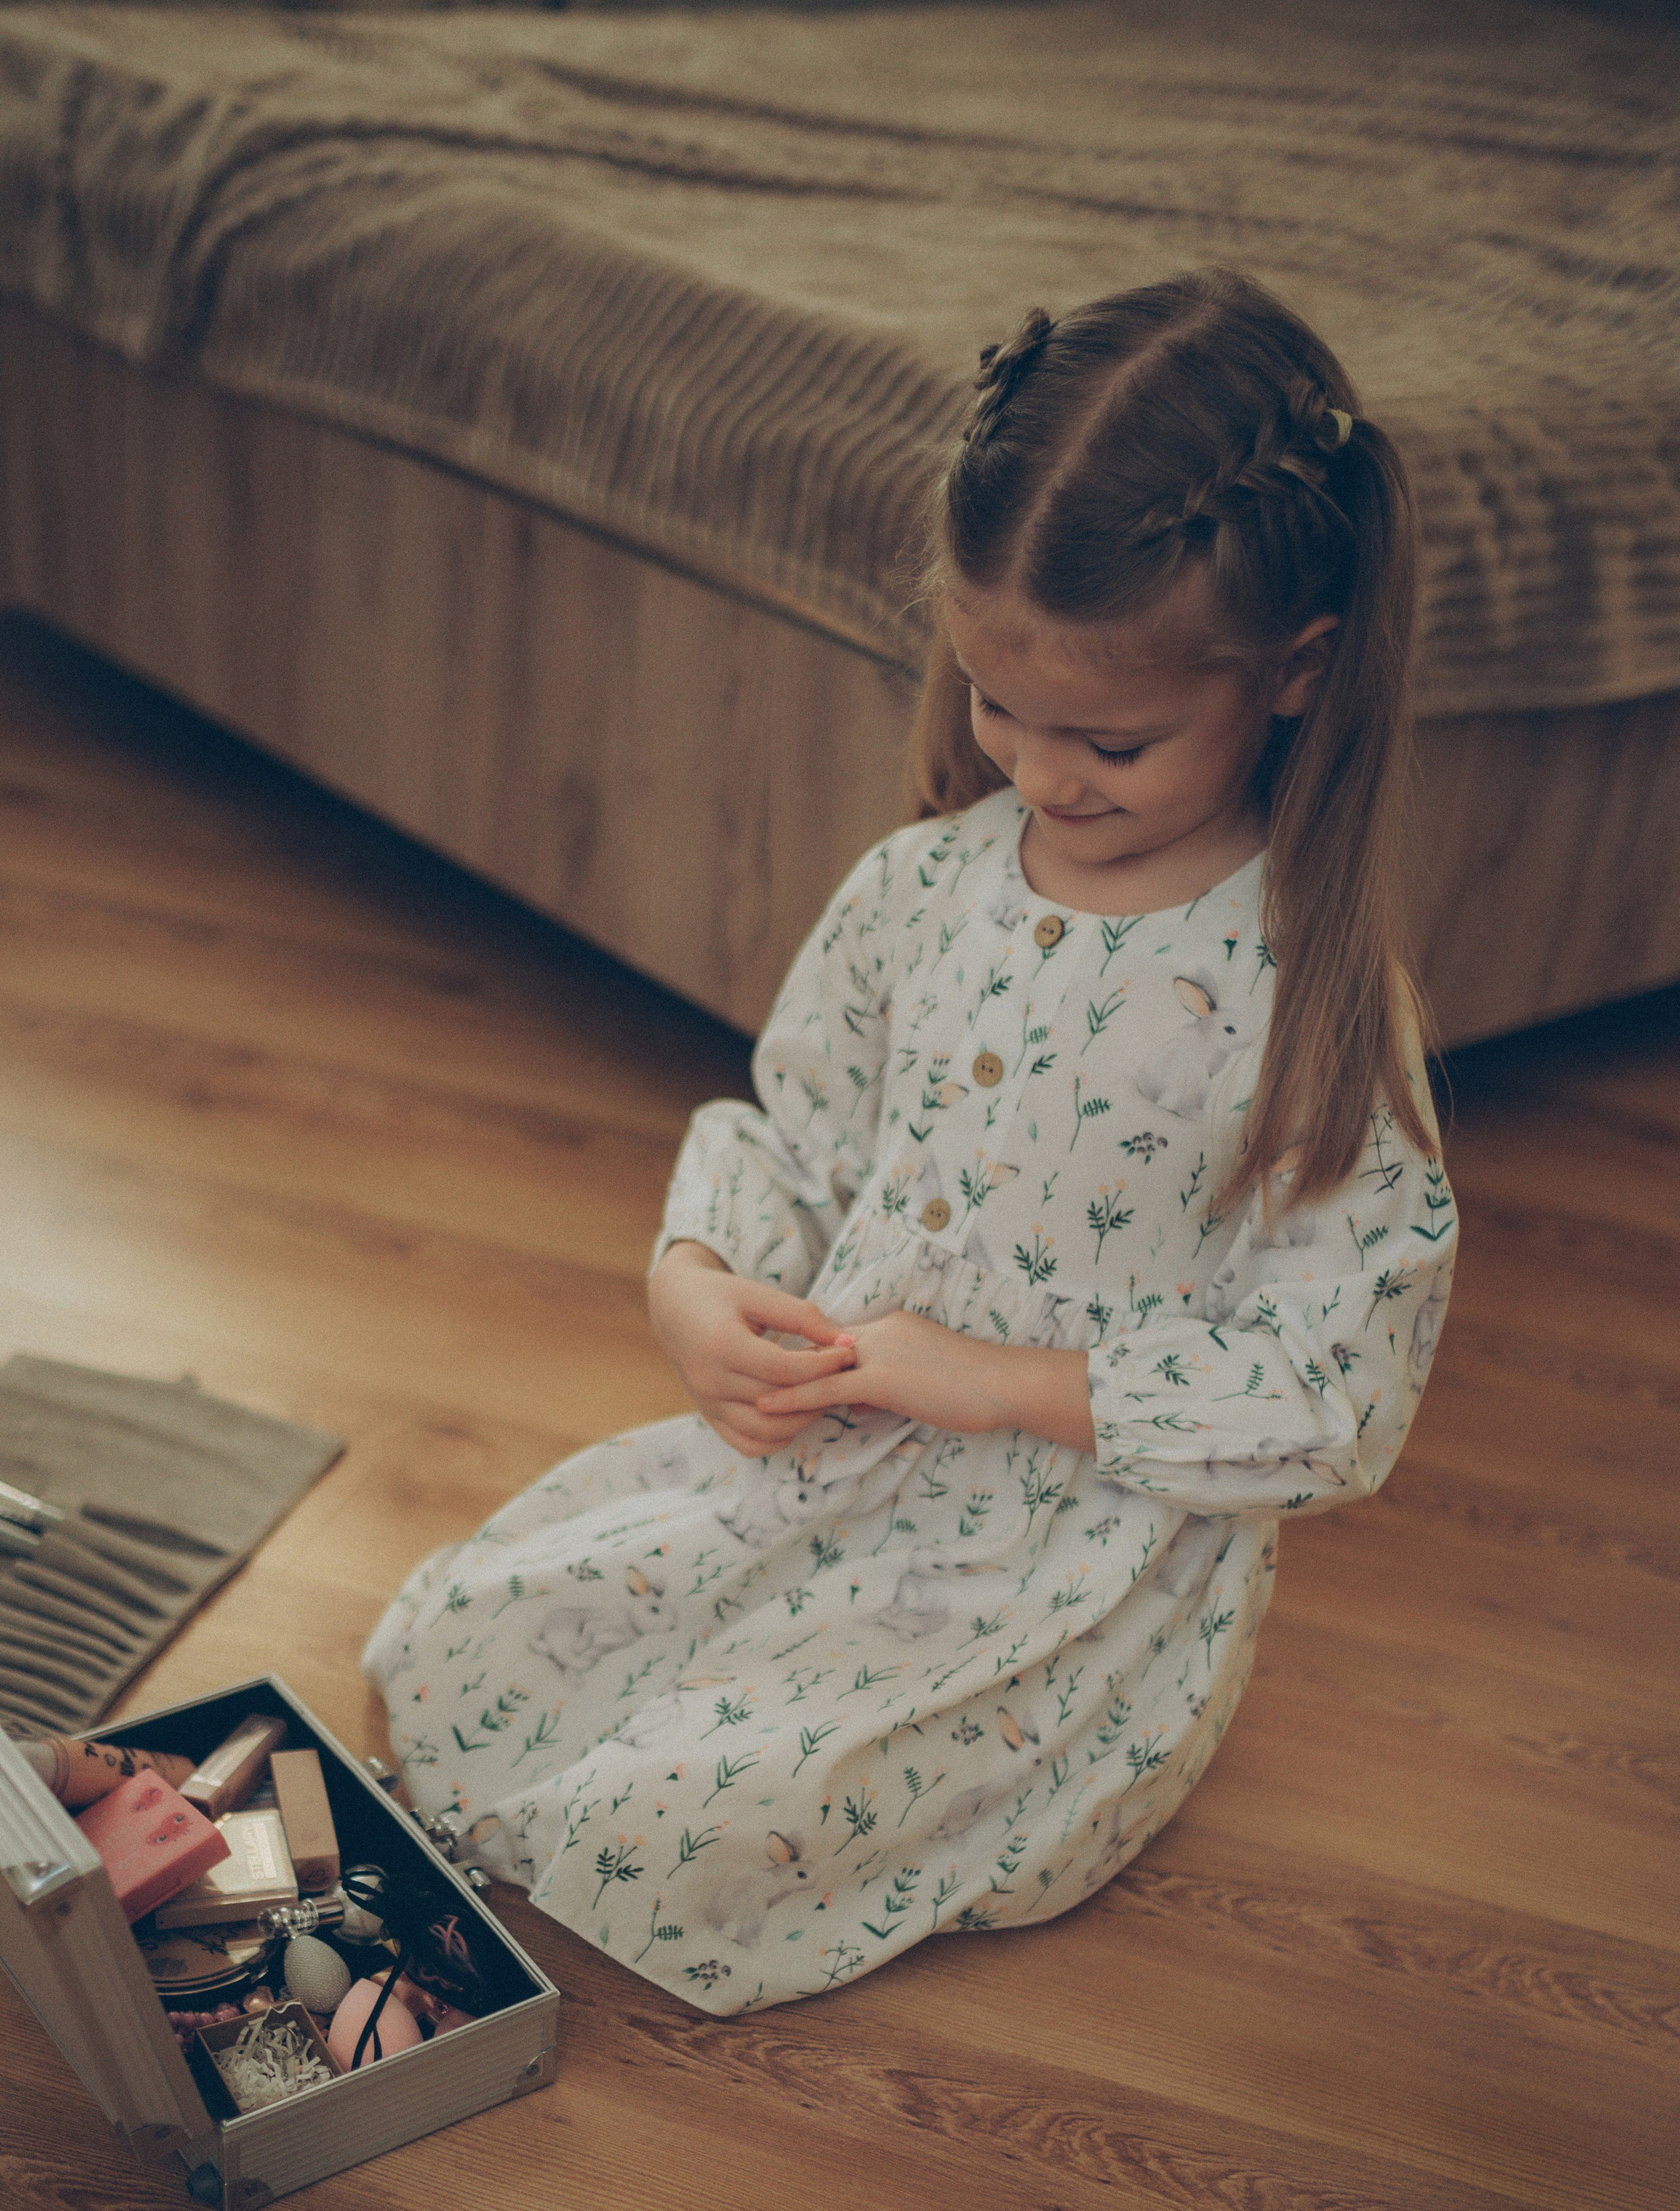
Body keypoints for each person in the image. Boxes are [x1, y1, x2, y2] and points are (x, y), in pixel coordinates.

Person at [364, 268, 1456, 2015]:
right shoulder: (923, 887)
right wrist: (695, 1281)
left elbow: (1336, 1393)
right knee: (469, 1638)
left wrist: (1005, 1385)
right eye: (997, 705)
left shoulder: (1304, 994)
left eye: (1111, 738)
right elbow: (796, 1129)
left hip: (1060, 1573)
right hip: (828, 1460)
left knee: (692, 1819)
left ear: (1297, 673)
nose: (1037, 771)